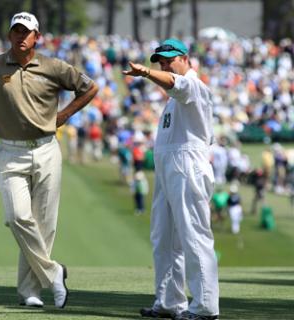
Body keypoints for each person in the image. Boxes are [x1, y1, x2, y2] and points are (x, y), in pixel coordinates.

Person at [0, 12, 98, 308]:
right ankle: (54, 274)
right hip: (11, 153)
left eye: (27, 32)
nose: (21, 37)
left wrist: (64, 116)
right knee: (17, 217)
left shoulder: (53, 66)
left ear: (37, 37)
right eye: (16, 31)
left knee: (44, 225)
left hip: (47, 150)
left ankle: (29, 293)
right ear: (9, 35)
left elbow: (90, 88)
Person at [123, 39, 219, 320]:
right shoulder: (172, 99)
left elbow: (177, 84)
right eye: (161, 61)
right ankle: (168, 301)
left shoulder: (193, 86)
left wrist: (146, 73)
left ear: (185, 58)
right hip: (169, 167)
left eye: (169, 59)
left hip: (188, 166)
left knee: (193, 235)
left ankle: (205, 307)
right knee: (163, 238)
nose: (164, 65)